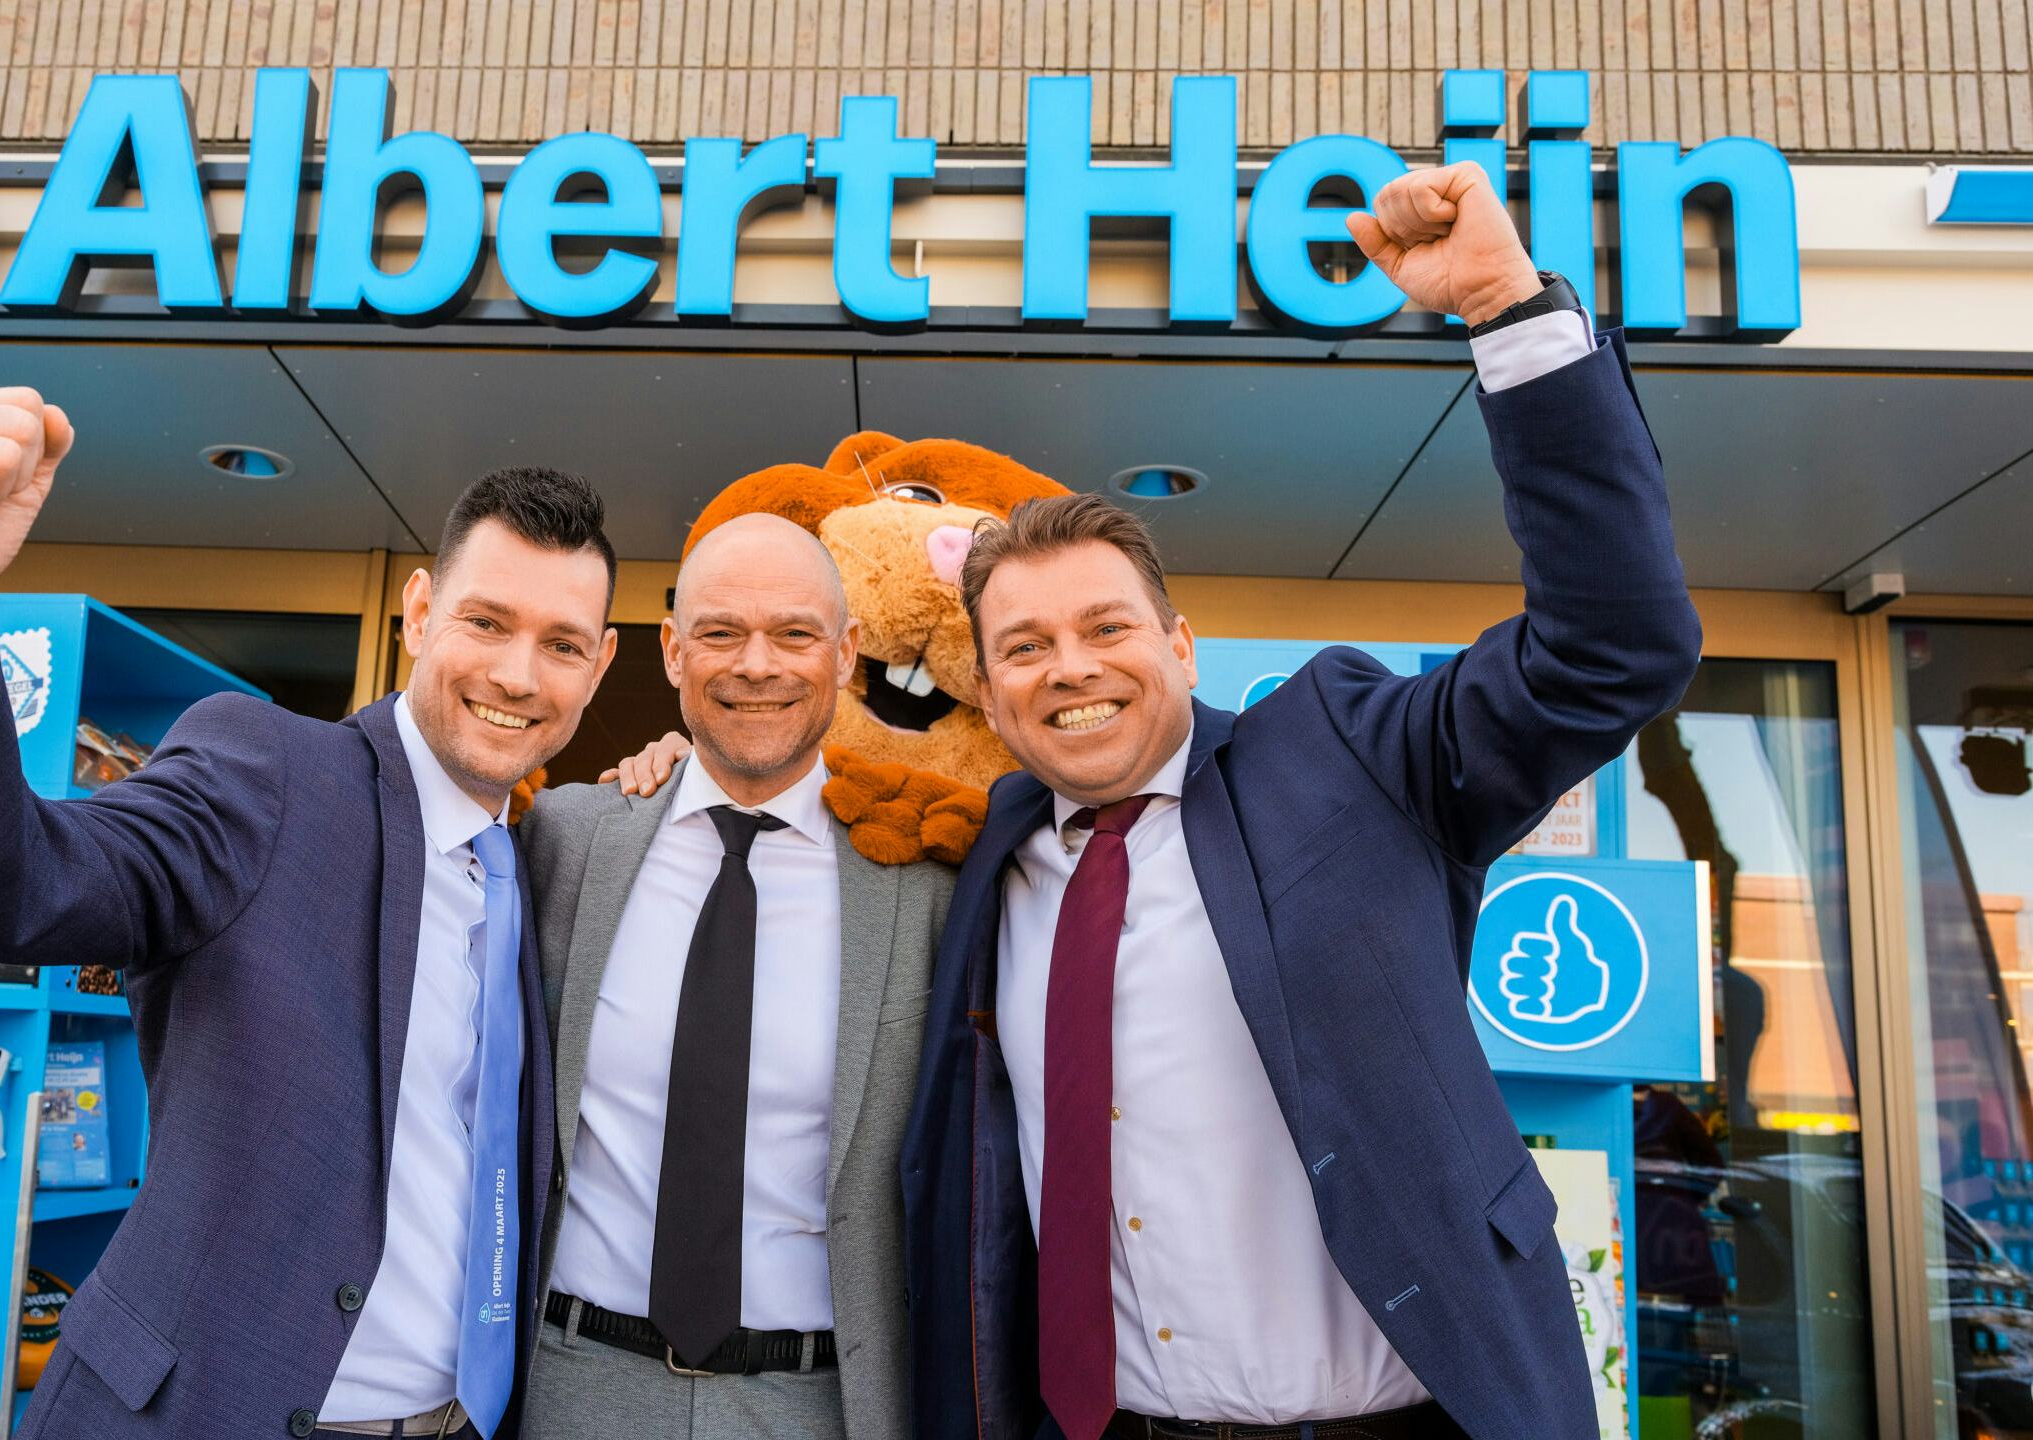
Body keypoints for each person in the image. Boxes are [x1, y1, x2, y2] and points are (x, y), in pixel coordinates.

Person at [901, 162, 1704, 1439]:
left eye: (1106, 627)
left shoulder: (1343, 755)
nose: (1070, 670)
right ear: (990, 696)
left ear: (1181, 648)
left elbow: (1614, 648)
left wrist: (1506, 310)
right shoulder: (985, 856)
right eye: (1025, 647)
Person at [0, 389, 623, 1440]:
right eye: (486, 622)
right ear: (419, 613)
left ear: (600, 666)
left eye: (561, 645)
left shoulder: (541, 868)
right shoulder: (269, 772)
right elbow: (4, 887)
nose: (516, 674)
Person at [513, 514, 953, 1439]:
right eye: (720, 632)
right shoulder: (568, 839)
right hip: (574, 1383)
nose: (758, 665)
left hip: (818, 1402)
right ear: (673, 652)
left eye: (794, 633)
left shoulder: (921, 879)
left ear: (846, 654)